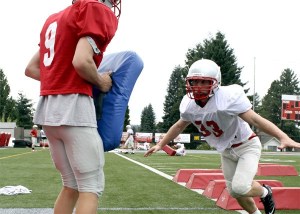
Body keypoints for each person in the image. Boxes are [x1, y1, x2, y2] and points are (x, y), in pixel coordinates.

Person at [145, 59, 300, 214]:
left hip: (246, 146)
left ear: (215, 83)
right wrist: (160, 144)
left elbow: (254, 119)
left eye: (203, 82)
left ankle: (266, 193)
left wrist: (282, 136)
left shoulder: (227, 98)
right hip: (226, 150)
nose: (197, 86)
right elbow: (179, 125)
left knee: (240, 187)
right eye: (194, 81)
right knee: (234, 192)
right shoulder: (188, 105)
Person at [25, 1, 121, 214]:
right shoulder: (94, 9)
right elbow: (81, 61)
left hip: (48, 111)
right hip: (75, 109)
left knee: (71, 185)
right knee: (91, 186)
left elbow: (31, 69)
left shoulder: (53, 19)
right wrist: (100, 82)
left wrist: (60, 80)